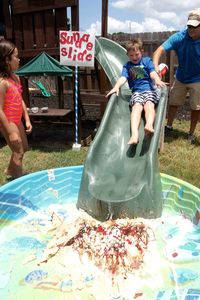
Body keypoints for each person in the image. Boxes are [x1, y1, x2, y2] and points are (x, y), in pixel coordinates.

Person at [153, 8, 200, 144]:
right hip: (180, 77)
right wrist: (156, 66)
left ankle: (191, 133)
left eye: (195, 27)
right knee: (173, 102)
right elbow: (159, 50)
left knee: (196, 107)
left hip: (197, 78)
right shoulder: (179, 37)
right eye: (189, 26)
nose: (191, 29)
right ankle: (169, 126)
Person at [106, 38, 166, 144]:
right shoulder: (127, 66)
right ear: (127, 54)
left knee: (149, 105)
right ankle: (134, 135)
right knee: (136, 108)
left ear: (141, 51)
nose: (134, 57)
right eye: (131, 55)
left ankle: (149, 125)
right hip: (136, 93)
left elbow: (152, 73)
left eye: (136, 54)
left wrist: (157, 80)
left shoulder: (147, 61)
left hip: (149, 91)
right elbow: (123, 78)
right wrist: (116, 87)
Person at [0, 39, 32, 178]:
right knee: (18, 150)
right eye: (16, 57)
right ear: (7, 59)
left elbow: (21, 100)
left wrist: (27, 118)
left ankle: (10, 171)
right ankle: (18, 183)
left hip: (17, 120)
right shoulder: (2, 83)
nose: (19, 60)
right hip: (8, 121)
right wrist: (10, 132)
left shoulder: (16, 78)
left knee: (23, 148)